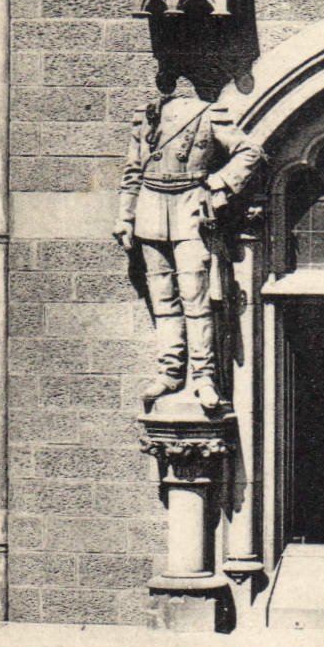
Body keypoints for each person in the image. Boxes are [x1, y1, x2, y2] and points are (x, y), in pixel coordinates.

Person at [113, 75, 263, 411]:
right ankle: (169, 370)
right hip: (151, 207)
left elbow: (250, 152)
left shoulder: (210, 114)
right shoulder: (147, 115)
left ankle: (203, 376)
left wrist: (220, 182)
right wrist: (125, 216)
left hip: (191, 206)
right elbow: (134, 169)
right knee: (163, 297)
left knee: (196, 297)